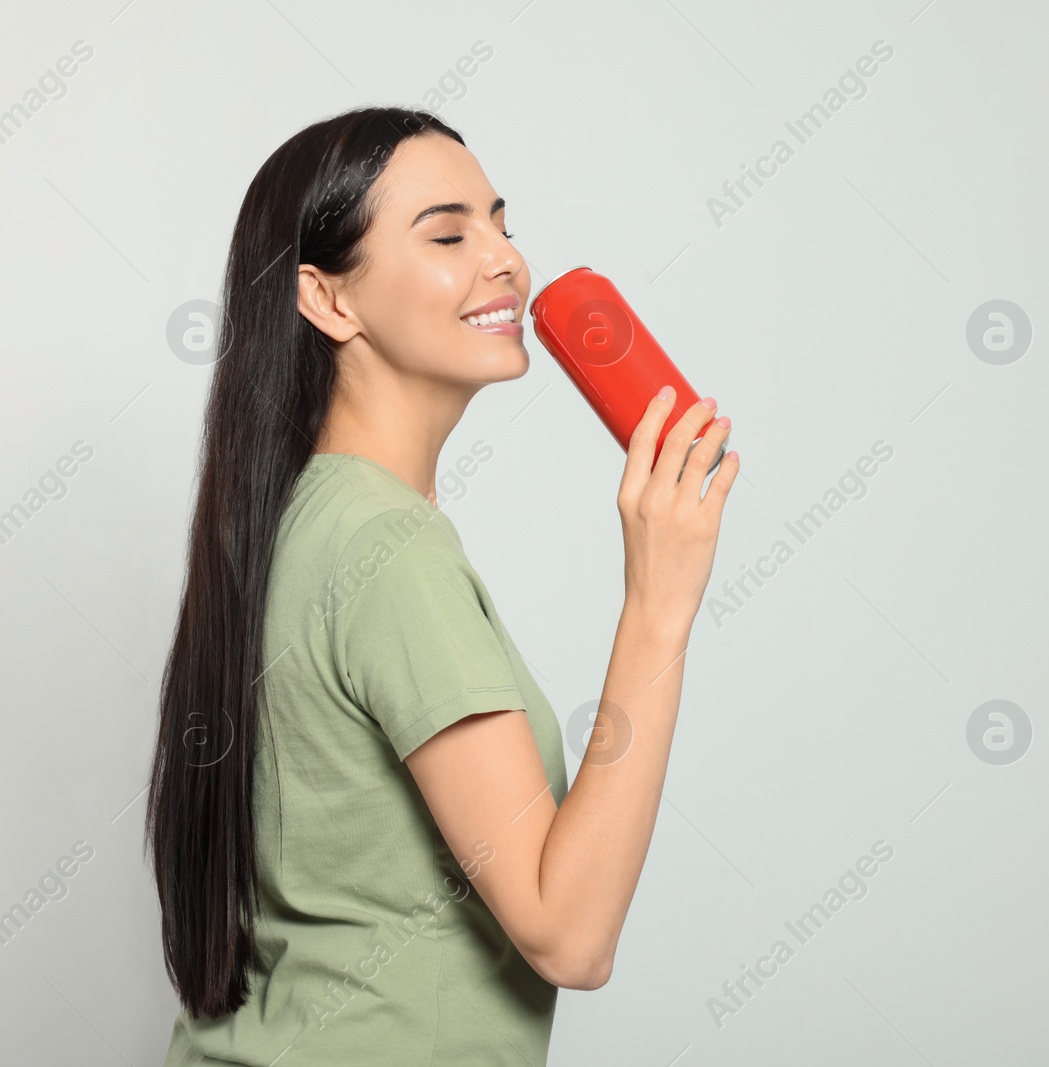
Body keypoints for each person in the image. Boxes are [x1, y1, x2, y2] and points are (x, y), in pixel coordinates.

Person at [145, 105, 738, 1065]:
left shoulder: (299, 519)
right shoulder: (385, 547)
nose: (503, 258)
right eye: (450, 233)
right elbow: (568, 933)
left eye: (503, 223)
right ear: (329, 300)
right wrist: (659, 604)